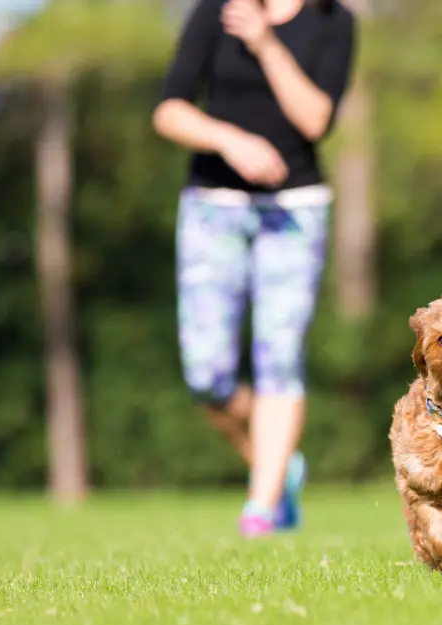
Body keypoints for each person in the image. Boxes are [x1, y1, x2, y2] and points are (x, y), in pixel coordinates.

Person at [152, 0, 356, 536]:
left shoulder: (334, 22)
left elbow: (315, 119)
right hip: (211, 208)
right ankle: (277, 463)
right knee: (207, 375)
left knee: (279, 358)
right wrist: (228, 139)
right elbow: (168, 109)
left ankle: (262, 508)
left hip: (294, 210)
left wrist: (266, 43)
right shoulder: (216, 12)